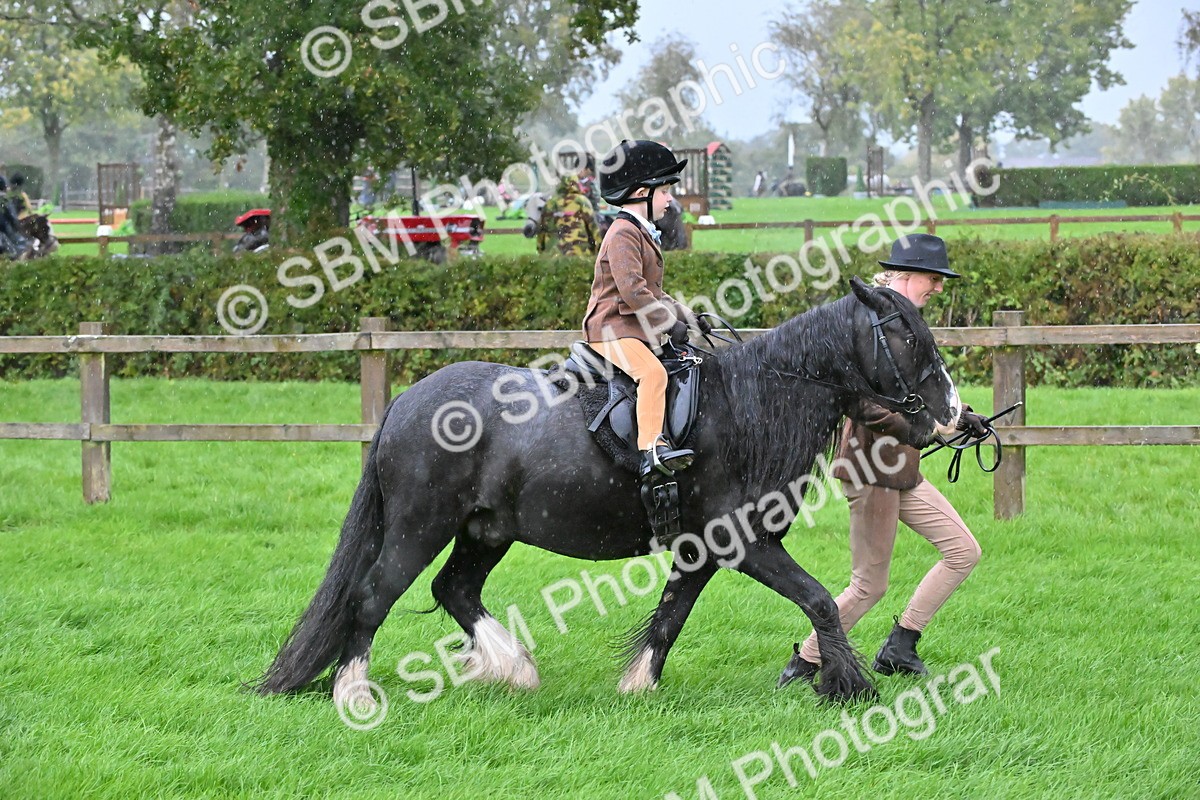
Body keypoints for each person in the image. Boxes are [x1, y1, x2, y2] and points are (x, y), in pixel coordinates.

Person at [788, 234, 989, 680]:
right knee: (868, 586)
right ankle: (805, 661)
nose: (938, 288)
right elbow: (859, 404)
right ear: (907, 275)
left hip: (903, 470)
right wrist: (926, 429)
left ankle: (900, 645)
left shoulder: (905, 322)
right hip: (871, 469)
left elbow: (927, 391)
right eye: (933, 279)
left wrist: (961, 417)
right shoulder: (870, 324)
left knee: (963, 551)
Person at [581, 140, 710, 479]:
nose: (670, 199)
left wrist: (690, 317)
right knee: (652, 374)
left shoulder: (640, 232)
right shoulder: (623, 233)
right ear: (641, 192)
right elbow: (634, 292)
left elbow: (656, 292)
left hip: (630, 330)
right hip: (610, 329)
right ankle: (652, 449)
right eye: (665, 191)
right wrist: (668, 324)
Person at [537, 173, 599, 257]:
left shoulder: (550, 203)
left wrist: (541, 250)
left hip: (553, 254)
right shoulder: (582, 201)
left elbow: (542, 229)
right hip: (580, 253)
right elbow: (593, 227)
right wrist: (599, 248)